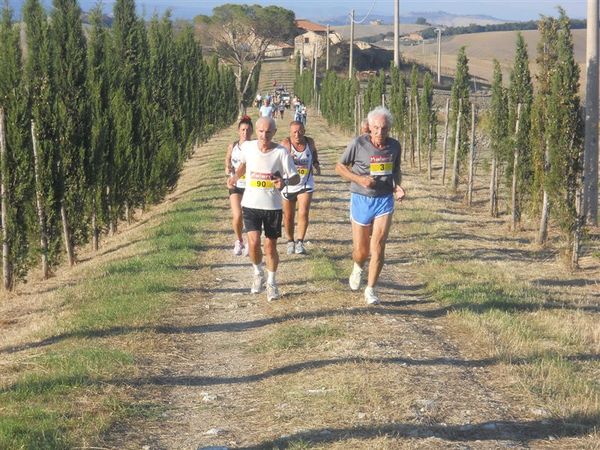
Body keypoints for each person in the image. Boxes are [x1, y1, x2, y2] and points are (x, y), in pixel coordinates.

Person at [335, 107, 405, 305]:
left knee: (379, 246)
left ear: (389, 128)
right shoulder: (358, 143)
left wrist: (397, 187)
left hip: (384, 199)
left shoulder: (394, 146)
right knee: (361, 251)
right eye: (376, 128)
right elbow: (339, 167)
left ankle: (371, 289)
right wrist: (360, 179)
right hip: (361, 198)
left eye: (384, 129)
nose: (380, 133)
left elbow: (395, 171)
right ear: (370, 127)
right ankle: (358, 267)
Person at [228, 117, 300, 301]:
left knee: (270, 247)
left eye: (268, 132)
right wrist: (236, 177)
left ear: (274, 132)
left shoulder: (281, 152)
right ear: (256, 132)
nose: (264, 135)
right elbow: (243, 165)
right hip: (251, 204)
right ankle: (257, 272)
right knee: (252, 244)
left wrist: (283, 182)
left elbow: (295, 178)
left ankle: (272, 282)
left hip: (273, 206)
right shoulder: (249, 147)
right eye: (260, 131)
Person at [280, 121, 321, 255]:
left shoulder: (309, 142)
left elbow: (314, 152)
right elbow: (277, 161)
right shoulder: (285, 144)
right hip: (289, 185)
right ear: (290, 133)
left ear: (304, 130)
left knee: (303, 212)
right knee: (288, 216)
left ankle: (300, 242)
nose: (297, 135)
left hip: (305, 183)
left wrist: (315, 163)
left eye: (299, 131)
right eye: (294, 132)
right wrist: (287, 159)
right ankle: (290, 241)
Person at [224, 115, 253, 256]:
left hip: (250, 185)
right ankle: (239, 240)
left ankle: (249, 242)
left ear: (252, 131)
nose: (245, 133)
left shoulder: (255, 147)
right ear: (238, 131)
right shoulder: (233, 145)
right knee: (237, 215)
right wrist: (227, 167)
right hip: (235, 185)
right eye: (242, 130)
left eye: (248, 130)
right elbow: (228, 158)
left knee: (248, 217)